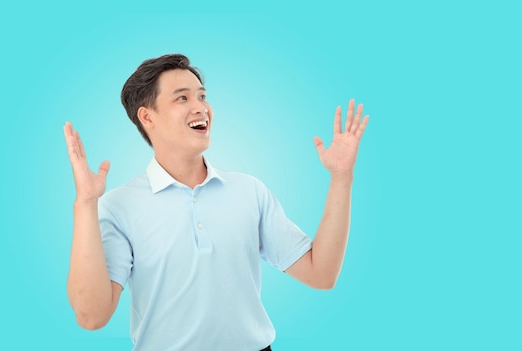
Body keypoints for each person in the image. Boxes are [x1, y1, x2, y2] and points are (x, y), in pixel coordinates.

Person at [63, 53, 369, 351]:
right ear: (147, 116)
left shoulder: (249, 191)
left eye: (202, 96)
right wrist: (86, 204)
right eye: (182, 98)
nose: (201, 108)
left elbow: (322, 273)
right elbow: (92, 317)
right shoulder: (119, 206)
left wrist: (341, 177)